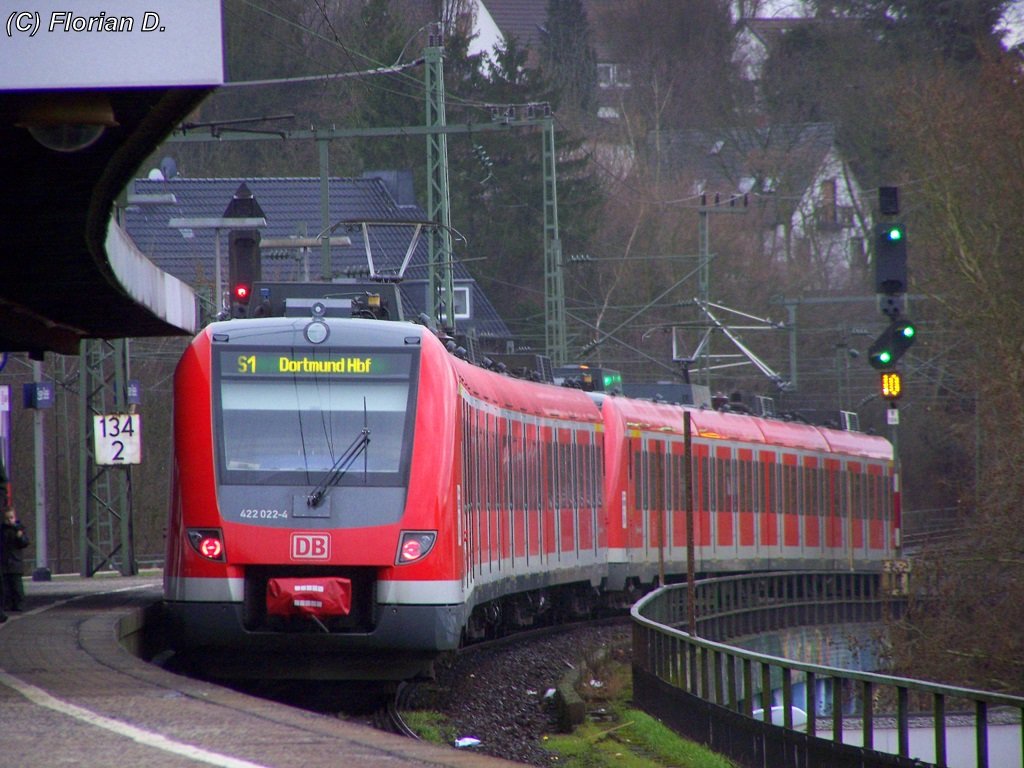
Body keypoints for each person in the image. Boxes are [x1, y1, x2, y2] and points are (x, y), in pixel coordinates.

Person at [1, 507, 30, 612]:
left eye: (11, 518)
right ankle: (7, 604)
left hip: (15, 562)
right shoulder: (2, 530)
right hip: (4, 562)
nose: (9, 521)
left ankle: (19, 604)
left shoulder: (18, 529)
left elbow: (25, 543)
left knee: (17, 587)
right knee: (6, 587)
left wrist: (20, 537)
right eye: (7, 518)